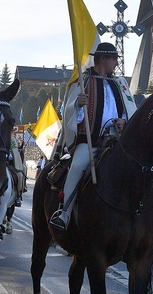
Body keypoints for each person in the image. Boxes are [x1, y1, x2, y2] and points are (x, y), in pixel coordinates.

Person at [49, 42, 129, 230]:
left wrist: (124, 121)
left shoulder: (119, 83)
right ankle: (64, 212)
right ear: (103, 59)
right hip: (91, 141)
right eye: (114, 59)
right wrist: (78, 104)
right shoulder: (82, 81)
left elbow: (128, 109)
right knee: (76, 166)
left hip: (115, 140)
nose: (116, 63)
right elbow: (68, 112)